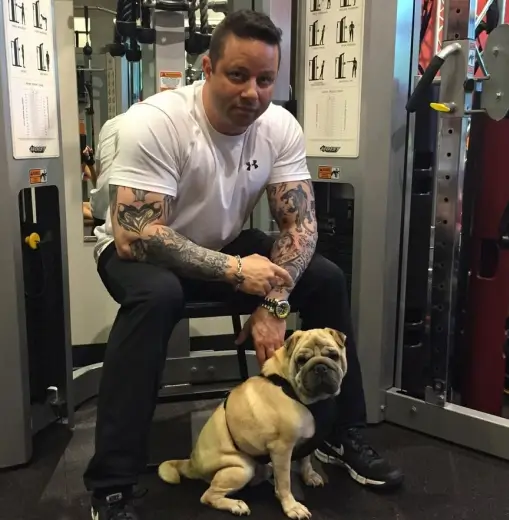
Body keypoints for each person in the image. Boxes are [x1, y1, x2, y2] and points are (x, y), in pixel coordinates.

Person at [84, 10, 403, 520]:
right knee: (157, 297)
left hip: (225, 241)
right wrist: (238, 273)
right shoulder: (158, 122)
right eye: (237, 75)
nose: (252, 93)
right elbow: (136, 235)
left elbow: (299, 226)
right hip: (139, 253)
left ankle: (343, 435)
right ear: (206, 69)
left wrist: (275, 301)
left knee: (324, 278)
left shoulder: (278, 126)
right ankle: (113, 483)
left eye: (265, 80)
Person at [89, 114, 125, 228]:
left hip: (99, 212)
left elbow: (100, 175)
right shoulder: (147, 126)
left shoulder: (108, 124)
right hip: (120, 215)